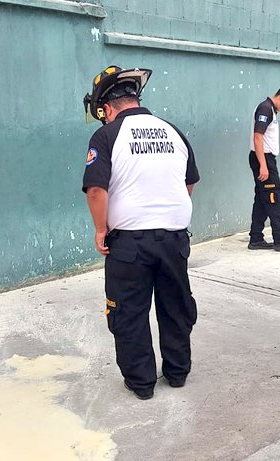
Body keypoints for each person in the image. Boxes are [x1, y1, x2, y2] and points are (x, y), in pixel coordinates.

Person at [81, 65, 200, 400]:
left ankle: (142, 383)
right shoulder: (171, 130)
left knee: (128, 311)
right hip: (174, 239)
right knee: (175, 306)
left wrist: (101, 230)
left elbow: (95, 190)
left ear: (105, 107)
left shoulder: (106, 136)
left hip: (129, 244)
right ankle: (177, 373)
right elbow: (189, 181)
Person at [247, 85, 280, 251]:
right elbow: (258, 136)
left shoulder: (269, 109)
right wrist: (263, 165)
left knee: (263, 200)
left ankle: (256, 238)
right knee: (274, 198)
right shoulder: (265, 109)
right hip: (263, 159)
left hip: (263, 158)